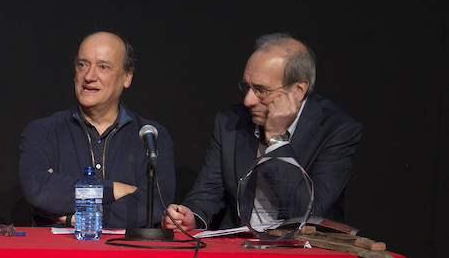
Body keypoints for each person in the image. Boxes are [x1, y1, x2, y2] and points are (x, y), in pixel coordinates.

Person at [163, 33, 363, 230]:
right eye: (246, 87)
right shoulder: (231, 121)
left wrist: (277, 140)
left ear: (298, 90)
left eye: (262, 90)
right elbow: (208, 192)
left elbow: (307, 212)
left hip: (303, 251)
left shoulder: (336, 129)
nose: (248, 100)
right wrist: (191, 216)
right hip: (240, 248)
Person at [19, 31, 175, 228]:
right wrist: (114, 190)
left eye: (103, 67)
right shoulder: (42, 132)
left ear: (127, 77)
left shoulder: (151, 136)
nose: (89, 76)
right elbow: (39, 191)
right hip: (59, 255)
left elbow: (152, 206)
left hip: (127, 256)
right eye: (82, 65)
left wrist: (74, 218)